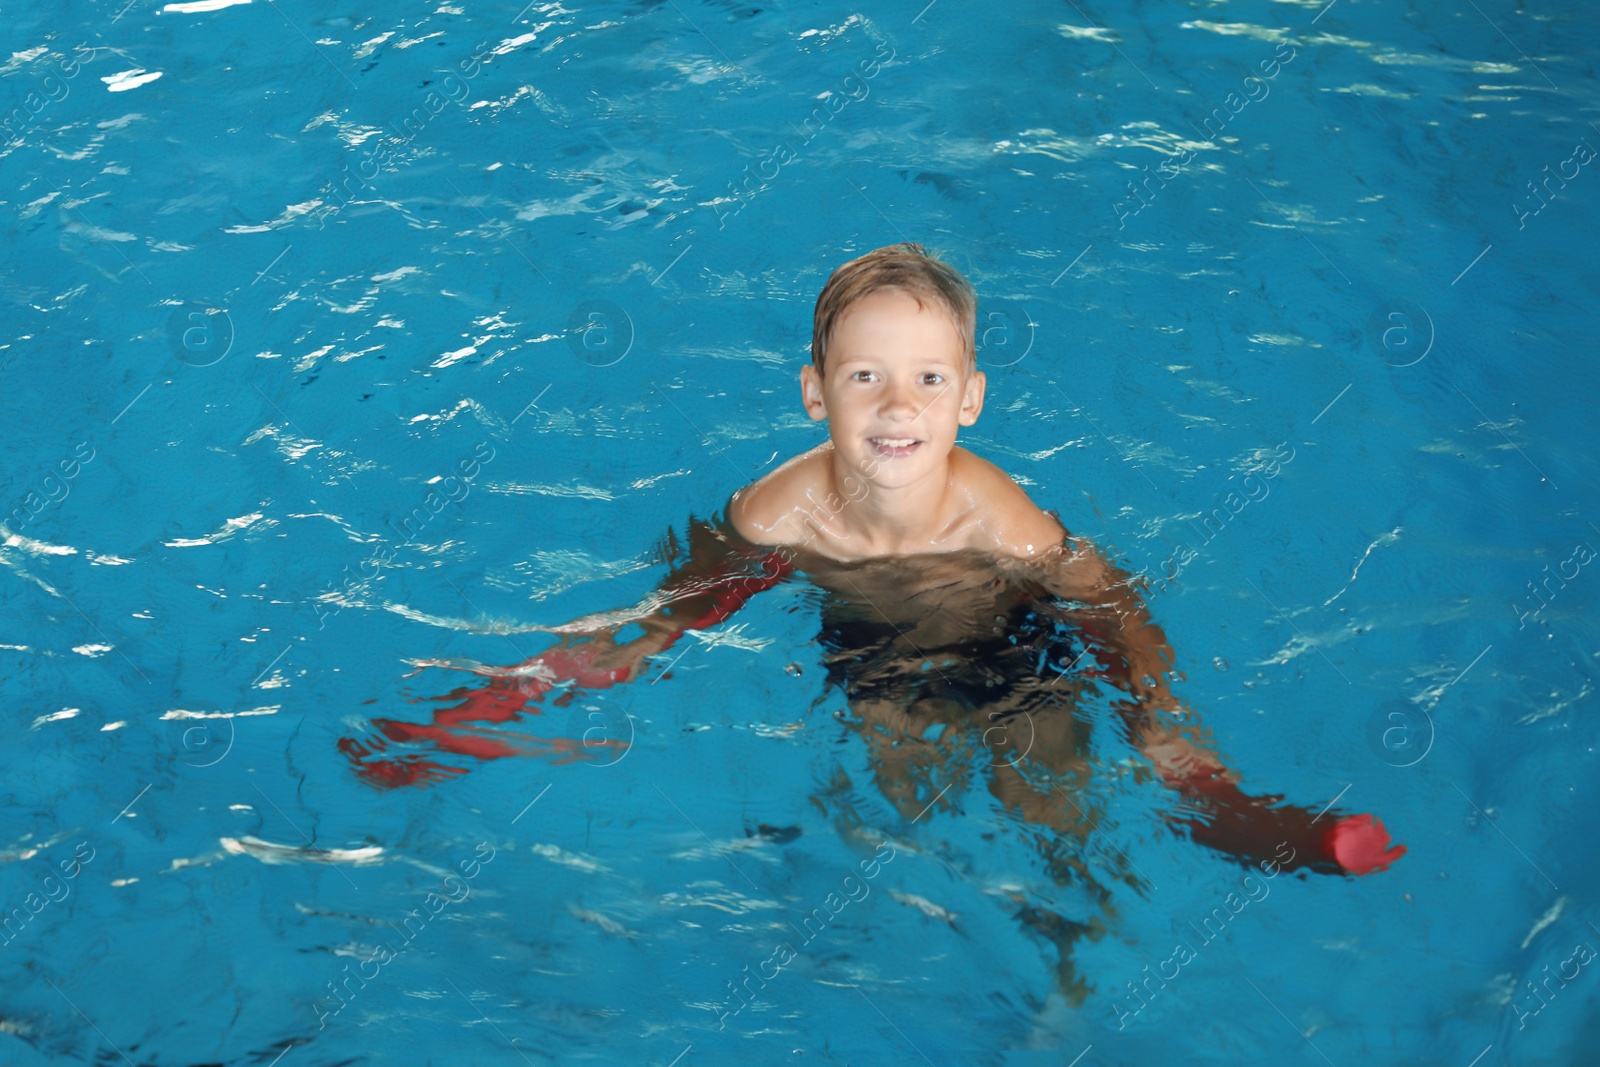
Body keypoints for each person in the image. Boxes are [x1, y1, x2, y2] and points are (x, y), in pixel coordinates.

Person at [338, 242, 1404, 999]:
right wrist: (518, 688)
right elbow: (671, 616)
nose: (897, 406)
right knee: (906, 802)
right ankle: (965, 940)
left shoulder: (1002, 518)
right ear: (815, 393)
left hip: (1015, 650)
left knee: (1053, 796)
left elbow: (1108, 599)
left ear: (969, 397)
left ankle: (1082, 939)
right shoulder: (777, 512)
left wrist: (1164, 723)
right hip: (876, 659)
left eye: (927, 379)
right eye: (865, 377)